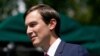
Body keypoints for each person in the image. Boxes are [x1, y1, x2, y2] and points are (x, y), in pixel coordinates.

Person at [24, 4, 89, 56]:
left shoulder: (75, 52)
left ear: (52, 24)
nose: (28, 31)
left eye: (33, 24)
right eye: (26, 27)